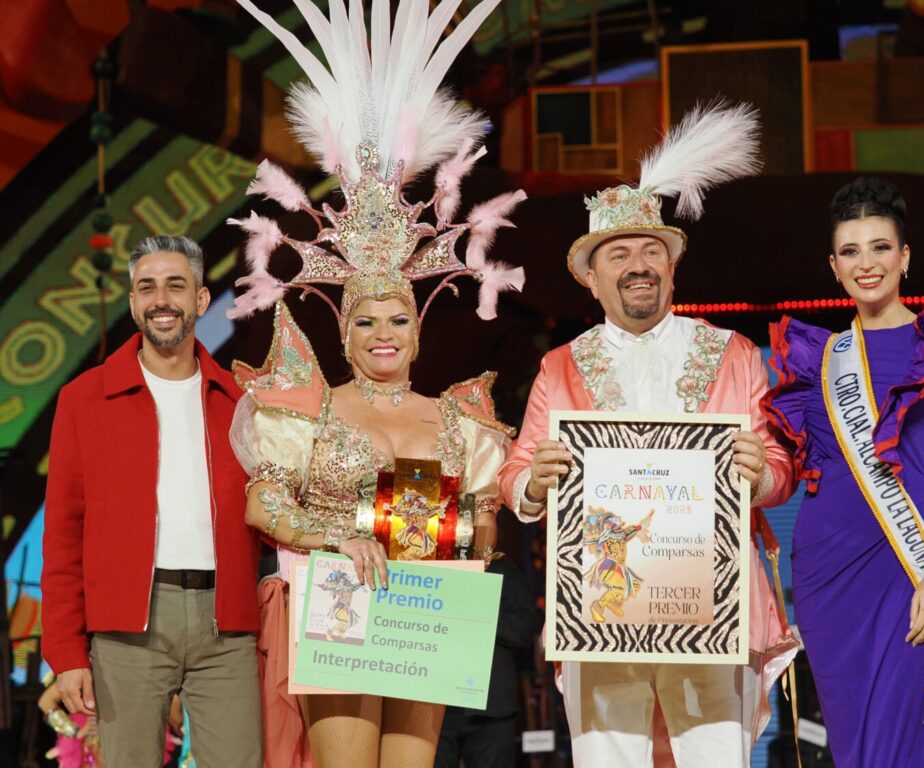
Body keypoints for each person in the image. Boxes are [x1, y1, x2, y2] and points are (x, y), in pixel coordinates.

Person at [227, 3, 525, 766]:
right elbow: (265, 501)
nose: (382, 334)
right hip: (339, 607)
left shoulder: (463, 422)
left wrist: (471, 549)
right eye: (366, 323)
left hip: (424, 616)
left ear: (417, 331)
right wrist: (338, 536)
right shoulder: (307, 410)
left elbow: (485, 528)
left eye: (396, 320)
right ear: (344, 332)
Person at [497, 101, 799, 768]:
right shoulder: (561, 366)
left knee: (714, 756)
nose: (638, 265)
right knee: (612, 758)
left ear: (671, 266)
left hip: (712, 600)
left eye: (650, 252)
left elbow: (780, 469)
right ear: (592, 276)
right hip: (601, 603)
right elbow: (515, 475)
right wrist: (535, 481)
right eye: (620, 255)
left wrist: (761, 470)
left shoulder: (734, 354)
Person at [762, 177, 924, 767]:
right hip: (827, 572)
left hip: (909, 564)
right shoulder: (820, 358)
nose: (867, 263)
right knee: (853, 743)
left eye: (880, 247)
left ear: (905, 256)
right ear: (833, 266)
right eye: (850, 251)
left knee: (904, 733)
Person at [41, 235, 262, 767]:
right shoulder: (83, 399)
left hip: (226, 625)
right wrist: (68, 653)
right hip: (126, 629)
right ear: (134, 302)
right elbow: (63, 535)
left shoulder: (241, 401)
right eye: (147, 287)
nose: (161, 299)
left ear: (201, 300)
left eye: (175, 285)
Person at [434, 556, 542, 768]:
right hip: (436, 706)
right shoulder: (428, 563)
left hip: (493, 707)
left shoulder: (499, 567)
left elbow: (525, 627)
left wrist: (480, 616)